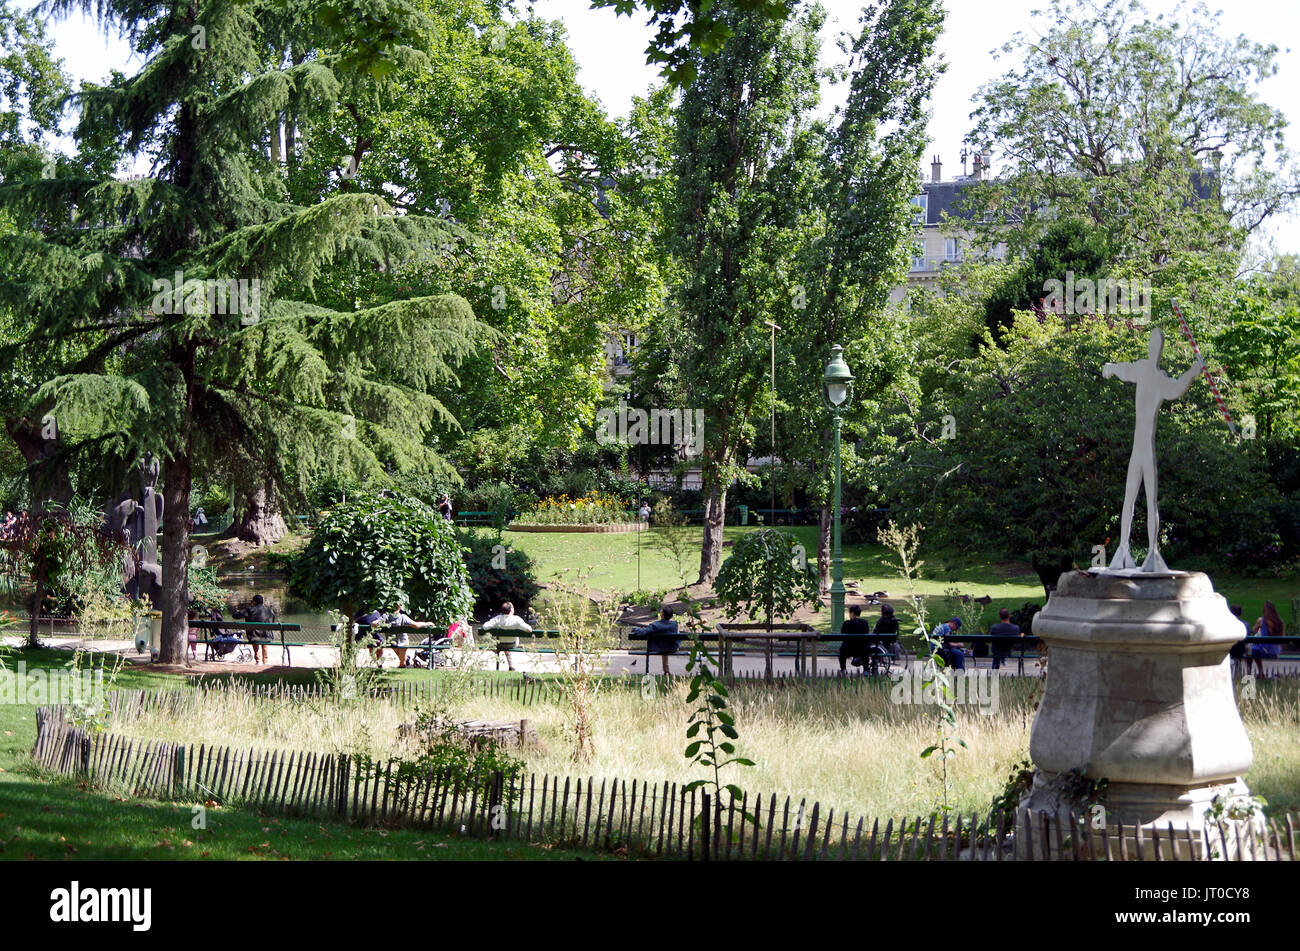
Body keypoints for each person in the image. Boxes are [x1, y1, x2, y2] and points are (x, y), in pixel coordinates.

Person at [481, 601, 532, 671]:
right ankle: (511, 666)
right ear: (511, 610)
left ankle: (508, 665)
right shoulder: (516, 619)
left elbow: (485, 626)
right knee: (509, 642)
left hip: (500, 644)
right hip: (512, 644)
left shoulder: (498, 618)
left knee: (500, 643)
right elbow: (529, 629)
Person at [634, 608, 682, 675]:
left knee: (664, 646)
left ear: (662, 615)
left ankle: (665, 671)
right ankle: (666, 671)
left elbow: (643, 632)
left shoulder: (656, 625)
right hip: (672, 648)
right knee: (668, 644)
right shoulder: (674, 624)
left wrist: (635, 629)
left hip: (658, 648)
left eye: (661, 612)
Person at [384, 603, 434, 668]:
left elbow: (374, 623)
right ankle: (406, 659)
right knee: (402, 661)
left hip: (393, 642)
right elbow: (416, 625)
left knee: (402, 661)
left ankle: (405, 660)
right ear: (400, 607)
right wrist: (427, 623)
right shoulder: (403, 617)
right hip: (402, 642)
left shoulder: (385, 616)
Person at [236, 594, 276, 664]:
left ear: (254, 602)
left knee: (254, 634)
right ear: (262, 602)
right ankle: (265, 660)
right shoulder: (269, 610)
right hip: (267, 636)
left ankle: (258, 660)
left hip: (254, 636)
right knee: (264, 634)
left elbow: (235, 616)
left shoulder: (250, 610)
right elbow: (272, 621)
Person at [1250, 600, 1285, 677]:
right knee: (1254, 649)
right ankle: (1260, 673)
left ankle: (1260, 672)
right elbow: (1282, 637)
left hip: (1265, 650)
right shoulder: (1280, 622)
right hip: (1276, 651)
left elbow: (1254, 631)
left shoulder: (1261, 620)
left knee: (1251, 651)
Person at [837, 605, 874, 673]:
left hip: (848, 649)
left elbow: (842, 635)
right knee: (865, 651)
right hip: (862, 649)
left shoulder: (847, 623)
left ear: (852, 613)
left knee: (841, 653)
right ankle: (866, 670)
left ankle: (843, 669)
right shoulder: (865, 623)